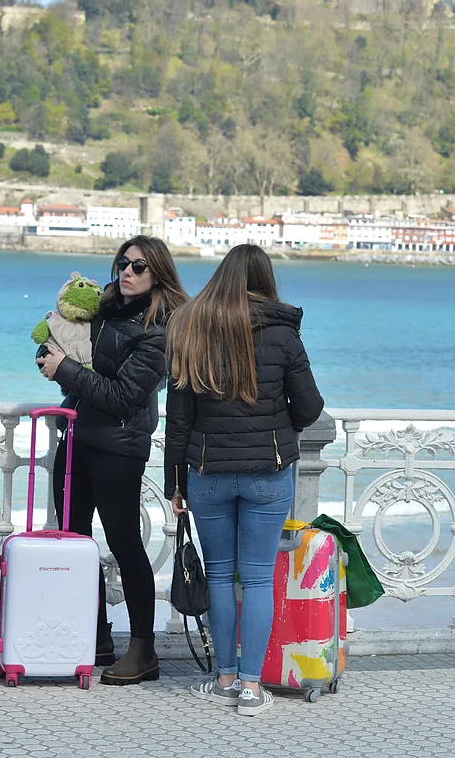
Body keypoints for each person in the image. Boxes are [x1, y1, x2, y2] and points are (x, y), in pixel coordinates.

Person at [164, 244, 324, 716]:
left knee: (219, 575)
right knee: (256, 579)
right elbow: (310, 407)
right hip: (267, 475)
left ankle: (225, 679)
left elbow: (178, 420)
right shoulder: (283, 333)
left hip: (207, 474)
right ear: (265, 279)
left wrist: (175, 482)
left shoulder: (190, 328)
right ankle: (252, 688)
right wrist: (277, 420)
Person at [36, 235, 188, 685]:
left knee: (124, 544)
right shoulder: (101, 308)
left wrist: (66, 370)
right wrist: (51, 356)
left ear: (158, 274)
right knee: (75, 541)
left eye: (139, 266)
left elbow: (123, 396)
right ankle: (97, 636)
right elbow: (75, 355)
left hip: (119, 446)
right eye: (123, 262)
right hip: (77, 436)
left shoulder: (159, 330)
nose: (127, 272)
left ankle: (142, 650)